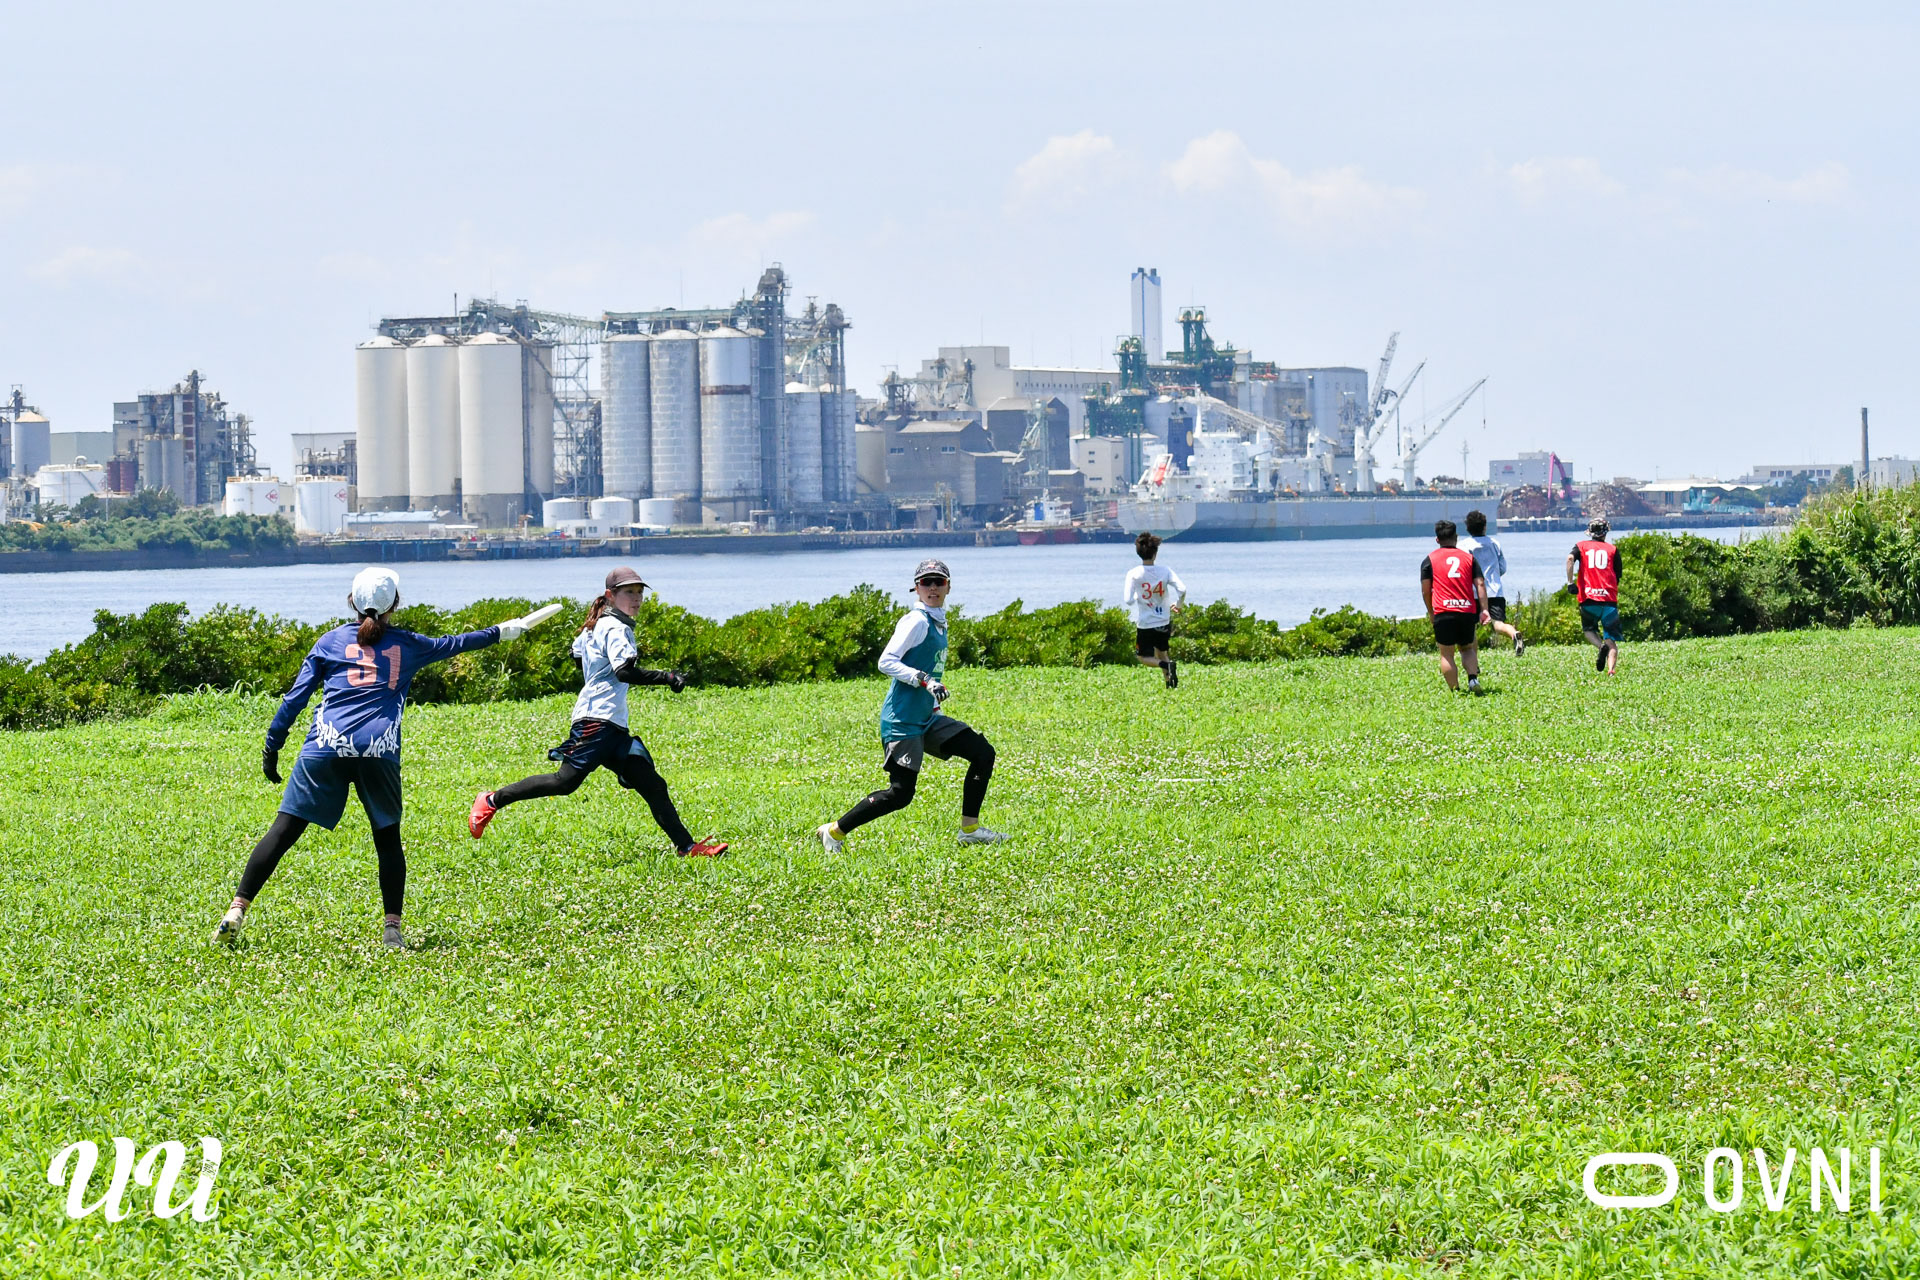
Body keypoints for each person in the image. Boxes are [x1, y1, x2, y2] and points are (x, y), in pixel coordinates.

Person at [213, 568, 537, 949]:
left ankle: (236, 909)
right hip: (378, 749)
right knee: (387, 838)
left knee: (284, 830)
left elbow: (294, 700)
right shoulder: (409, 644)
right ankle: (392, 931)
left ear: (351, 601)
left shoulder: (329, 642)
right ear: (395, 604)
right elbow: (458, 643)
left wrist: (273, 746)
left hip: (325, 747)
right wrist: (503, 631)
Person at [467, 566, 728, 857]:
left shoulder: (595, 625)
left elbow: (576, 654)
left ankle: (687, 847)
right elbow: (624, 671)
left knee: (652, 784)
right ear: (610, 595)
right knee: (564, 782)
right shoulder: (617, 628)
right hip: (597, 721)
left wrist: (596, 676)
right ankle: (492, 800)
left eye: (639, 592)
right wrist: (666, 677)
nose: (636, 598)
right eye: (629, 592)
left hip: (610, 723)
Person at [816, 559, 1006, 853]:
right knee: (900, 794)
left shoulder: (938, 621)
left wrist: (933, 703)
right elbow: (886, 661)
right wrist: (924, 680)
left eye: (939, 582)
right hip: (902, 720)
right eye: (926, 582)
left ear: (948, 587)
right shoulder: (916, 621)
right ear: (916, 588)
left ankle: (969, 829)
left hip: (927, 717)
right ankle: (834, 831)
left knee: (982, 753)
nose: (933, 587)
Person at [1421, 519, 1491, 694]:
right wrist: (1484, 609)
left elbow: (1426, 591)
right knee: (1467, 648)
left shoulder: (1429, 560)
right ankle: (1473, 679)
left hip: (1443, 611)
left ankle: (1455, 691)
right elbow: (1480, 584)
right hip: (1466, 610)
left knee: (1447, 654)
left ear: (1437, 539)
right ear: (1456, 537)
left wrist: (1431, 612)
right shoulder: (1469, 558)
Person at [1123, 531, 1188, 687]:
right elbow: (1182, 589)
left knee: (1142, 657)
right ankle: (1170, 683)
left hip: (1146, 623)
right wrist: (1178, 605)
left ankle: (1166, 666)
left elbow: (1128, 600)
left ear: (1138, 552)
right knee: (1162, 652)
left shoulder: (1133, 574)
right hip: (1164, 620)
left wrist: (1139, 596)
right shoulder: (1165, 571)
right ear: (1155, 553)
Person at [1459, 509, 1525, 657]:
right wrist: (1494, 577)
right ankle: (1514, 634)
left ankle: (1473, 661)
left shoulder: (1463, 546)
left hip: (1473, 593)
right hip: (1495, 592)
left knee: (1471, 629)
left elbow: (1463, 570)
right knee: (1498, 624)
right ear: (1485, 526)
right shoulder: (1495, 543)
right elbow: (1502, 568)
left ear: (1467, 527)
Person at [1567, 517, 1623, 675]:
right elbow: (1618, 575)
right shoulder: (1613, 550)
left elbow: (1570, 558)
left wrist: (1570, 583)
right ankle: (1611, 671)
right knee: (1611, 639)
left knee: (1589, 630)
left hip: (1588, 598)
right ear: (1605, 533)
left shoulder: (1581, 546)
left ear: (1590, 533)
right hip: (1609, 599)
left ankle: (1600, 646)